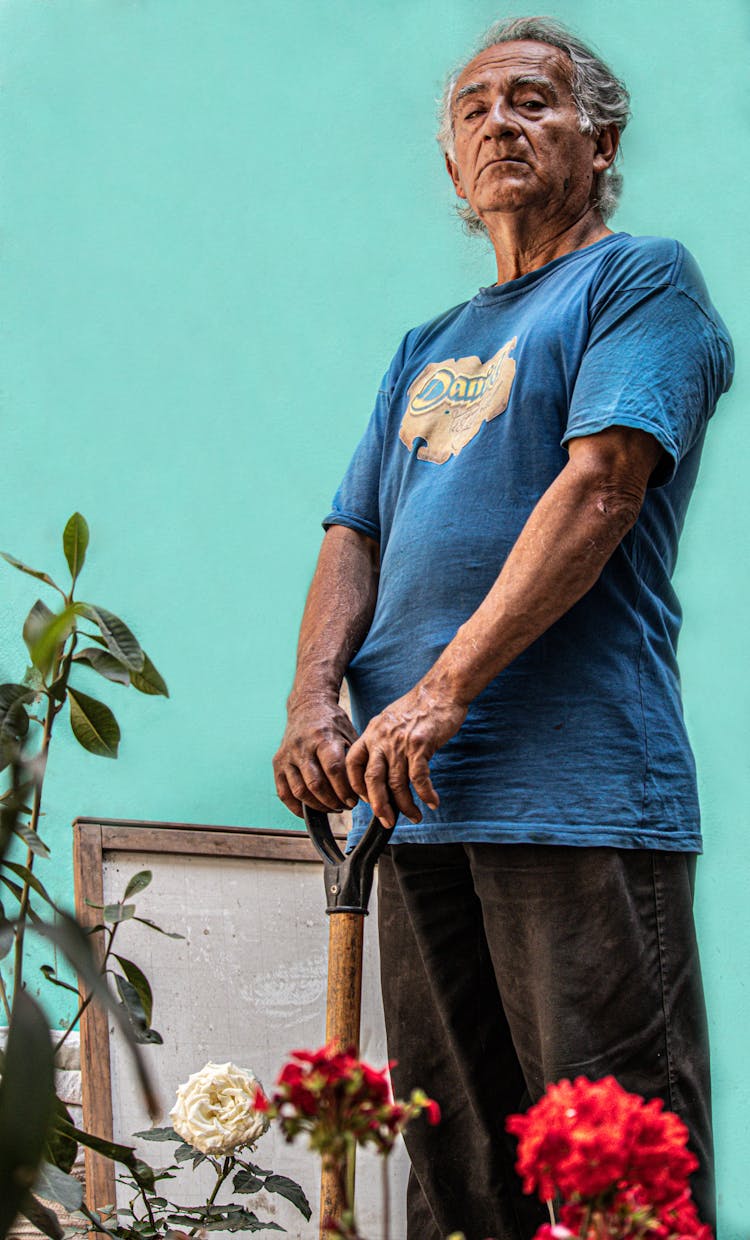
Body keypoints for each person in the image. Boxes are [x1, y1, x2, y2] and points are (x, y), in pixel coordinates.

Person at [273, 16, 734, 1239]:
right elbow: (352, 530)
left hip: (572, 789)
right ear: (449, 166)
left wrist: (442, 686)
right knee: (459, 1168)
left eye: (534, 100)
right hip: (414, 801)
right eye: (476, 107)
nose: (500, 122)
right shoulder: (424, 349)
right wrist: (314, 697)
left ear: (601, 136)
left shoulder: (639, 282)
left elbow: (602, 486)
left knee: (611, 1166)